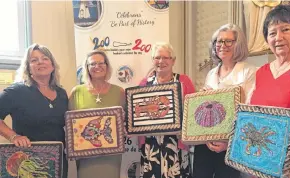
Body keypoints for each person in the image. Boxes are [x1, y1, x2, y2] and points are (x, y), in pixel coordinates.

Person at [249, 5, 290, 178]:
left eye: (285, 29)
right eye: (272, 33)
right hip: (261, 163)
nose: (278, 37)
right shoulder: (262, 72)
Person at [192, 23, 257, 178]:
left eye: (229, 41)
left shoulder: (250, 72)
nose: (222, 45)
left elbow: (250, 112)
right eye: (218, 42)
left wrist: (230, 143)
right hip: (206, 142)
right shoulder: (212, 73)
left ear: (238, 44)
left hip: (231, 143)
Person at [0, 43, 69, 178]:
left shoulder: (62, 93)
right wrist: (13, 136)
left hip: (57, 161)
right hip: (27, 162)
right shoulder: (16, 91)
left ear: (52, 65)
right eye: (34, 60)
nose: (40, 62)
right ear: (28, 67)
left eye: (45, 58)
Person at [138, 42, 195, 178]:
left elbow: (193, 110)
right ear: (153, 60)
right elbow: (138, 112)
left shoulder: (183, 81)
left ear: (173, 61)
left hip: (176, 143)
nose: (161, 61)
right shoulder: (145, 83)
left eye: (166, 58)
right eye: (157, 58)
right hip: (150, 144)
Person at [69, 50, 125, 178]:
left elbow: (125, 121)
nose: (97, 66)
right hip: (85, 156)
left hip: (111, 155)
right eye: (92, 64)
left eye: (101, 63)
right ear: (87, 68)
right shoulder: (76, 92)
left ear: (107, 66)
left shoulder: (119, 92)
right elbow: (71, 126)